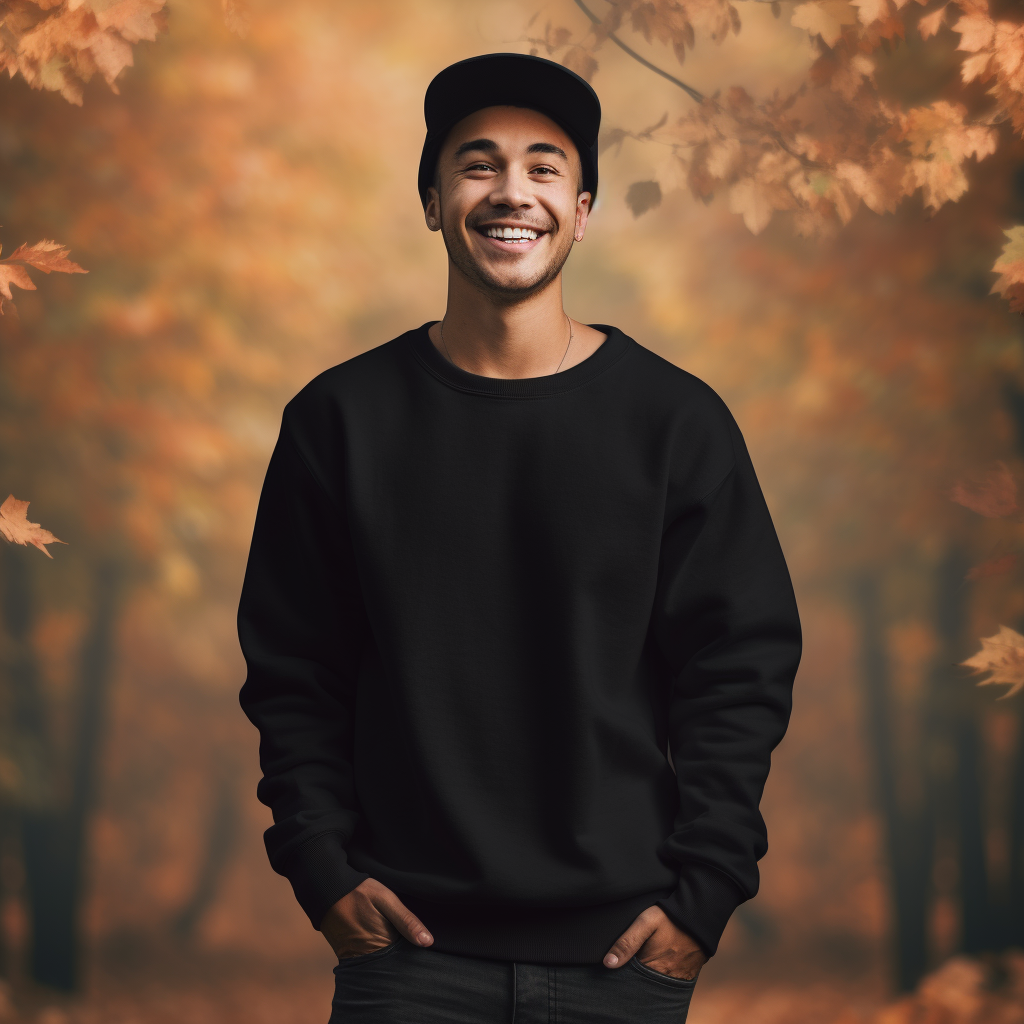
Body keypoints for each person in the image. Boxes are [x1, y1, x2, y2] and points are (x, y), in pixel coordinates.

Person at [238, 52, 802, 1024]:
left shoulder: (675, 423)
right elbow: (295, 670)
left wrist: (704, 893)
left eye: (545, 168)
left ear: (582, 208)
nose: (512, 191)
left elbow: (737, 668)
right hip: (404, 957)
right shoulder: (339, 420)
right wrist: (322, 870)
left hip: (623, 958)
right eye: (477, 163)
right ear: (430, 198)